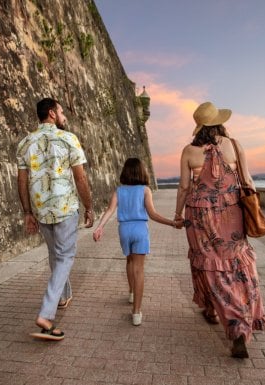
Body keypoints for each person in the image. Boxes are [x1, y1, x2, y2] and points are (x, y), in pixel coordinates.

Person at [174, 101, 265, 358]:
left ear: (199, 126)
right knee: (237, 262)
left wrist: (177, 214)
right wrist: (254, 208)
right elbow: (248, 180)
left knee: (208, 265)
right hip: (232, 212)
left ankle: (226, 316)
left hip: (199, 215)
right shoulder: (235, 145)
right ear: (219, 122)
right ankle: (235, 318)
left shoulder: (188, 151)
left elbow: (184, 187)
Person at [16, 98, 94, 341]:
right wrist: (89, 206)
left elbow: (22, 181)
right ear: (51, 113)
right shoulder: (68, 138)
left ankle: (63, 296)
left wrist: (27, 212)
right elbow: (80, 179)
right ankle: (46, 314)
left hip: (41, 209)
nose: (64, 116)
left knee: (55, 255)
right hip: (65, 208)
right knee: (66, 256)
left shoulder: (25, 143)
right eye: (62, 111)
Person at [92, 158, 182, 326]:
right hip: (140, 229)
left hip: (124, 230)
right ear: (142, 172)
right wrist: (172, 223)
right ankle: (136, 312)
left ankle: (132, 292)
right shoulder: (145, 190)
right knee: (139, 269)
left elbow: (110, 210)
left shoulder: (118, 191)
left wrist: (99, 228)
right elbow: (153, 214)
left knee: (129, 260)